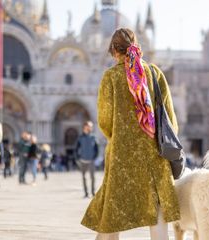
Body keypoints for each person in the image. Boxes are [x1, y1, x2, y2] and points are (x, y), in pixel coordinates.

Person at [82, 28, 179, 240]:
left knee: (113, 208)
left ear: (114, 51)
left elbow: (104, 121)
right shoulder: (154, 73)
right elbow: (170, 118)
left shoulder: (111, 77)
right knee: (157, 207)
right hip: (155, 152)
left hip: (121, 155)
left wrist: (119, 136)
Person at [76, 121, 99, 198]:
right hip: (83, 160)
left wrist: (95, 157)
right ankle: (86, 193)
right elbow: (76, 148)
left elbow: (97, 148)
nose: (90, 128)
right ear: (84, 127)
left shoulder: (93, 137)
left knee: (93, 177)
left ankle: (93, 192)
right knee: (84, 177)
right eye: (89, 126)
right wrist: (78, 158)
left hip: (91, 160)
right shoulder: (80, 138)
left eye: (91, 126)